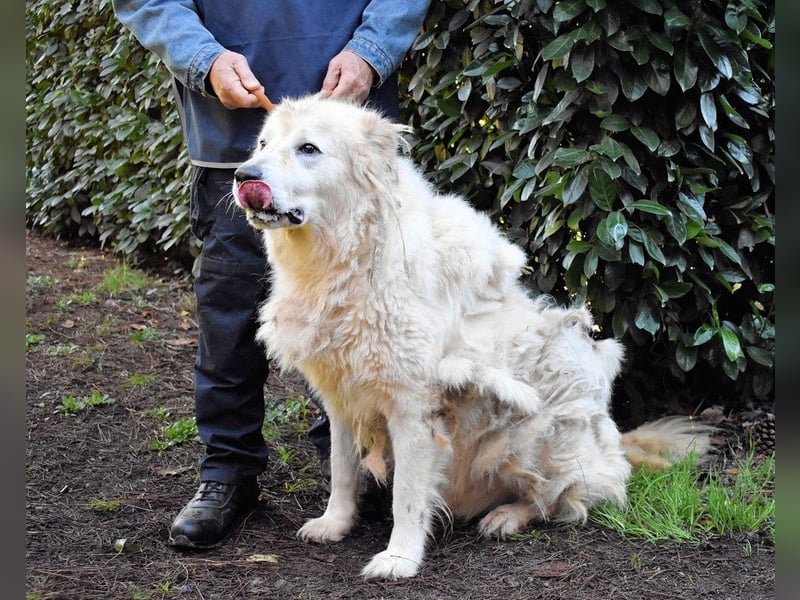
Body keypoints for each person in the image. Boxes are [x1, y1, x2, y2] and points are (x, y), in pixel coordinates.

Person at [111, 0, 432, 550]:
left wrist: (371, 50)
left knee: (368, 322)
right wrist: (204, 59)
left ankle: (362, 468)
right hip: (233, 144)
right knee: (230, 323)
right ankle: (227, 475)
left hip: (345, 155)